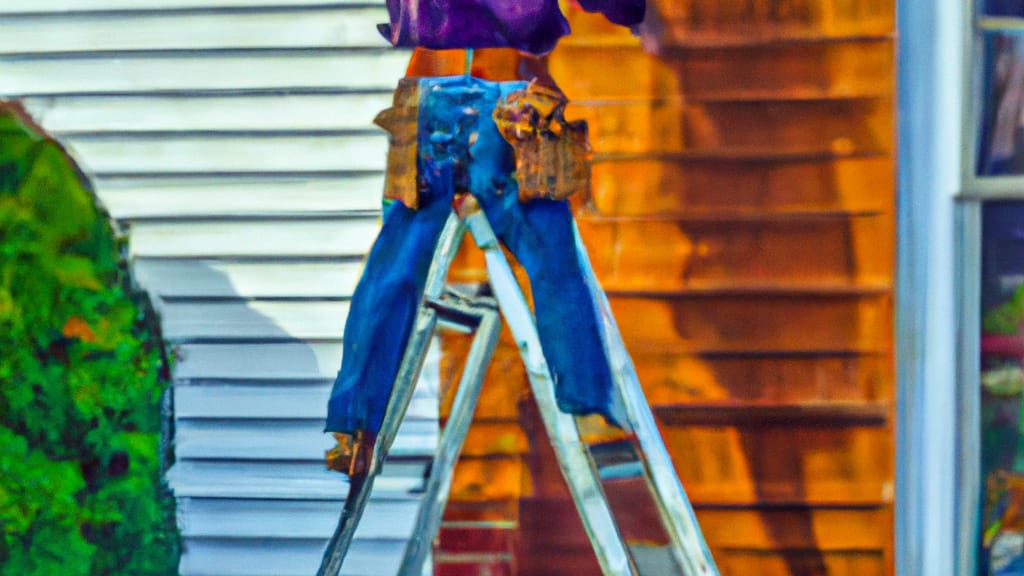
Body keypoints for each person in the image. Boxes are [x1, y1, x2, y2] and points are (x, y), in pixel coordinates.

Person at [325, 0, 646, 476]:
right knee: (552, 260)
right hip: (512, 96)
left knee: (393, 268)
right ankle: (590, 406)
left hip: (428, 92)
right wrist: (634, 14)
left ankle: (354, 428)